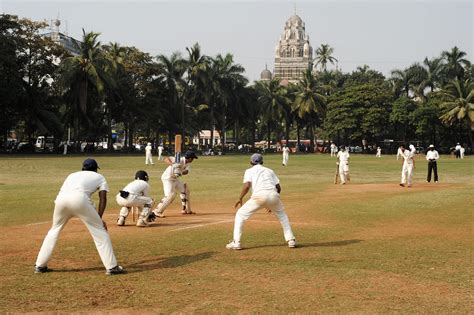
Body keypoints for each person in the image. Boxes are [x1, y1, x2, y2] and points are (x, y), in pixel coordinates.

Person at [34, 158, 124, 275]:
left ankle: (40, 265)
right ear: (96, 169)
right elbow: (103, 198)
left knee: (54, 230)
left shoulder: (72, 175)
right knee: (100, 232)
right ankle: (112, 267)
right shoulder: (100, 177)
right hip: (79, 200)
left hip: (61, 200)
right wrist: (99, 219)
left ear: (83, 168)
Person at [226, 153, 296, 250]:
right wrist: (272, 203)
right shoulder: (270, 170)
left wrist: (240, 198)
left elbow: (247, 186)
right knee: (282, 216)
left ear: (251, 162)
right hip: (273, 195)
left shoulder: (249, 171)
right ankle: (291, 240)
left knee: (240, 215)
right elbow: (278, 188)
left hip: (259, 196)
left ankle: (236, 242)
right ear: (262, 162)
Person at [152, 150, 198, 218]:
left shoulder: (187, 164)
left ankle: (185, 209)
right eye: (193, 158)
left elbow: (186, 172)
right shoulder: (178, 159)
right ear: (190, 158)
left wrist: (180, 172)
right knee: (170, 196)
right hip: (168, 178)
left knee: (185, 190)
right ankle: (157, 211)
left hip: (175, 179)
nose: (193, 159)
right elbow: (166, 159)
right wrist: (173, 164)